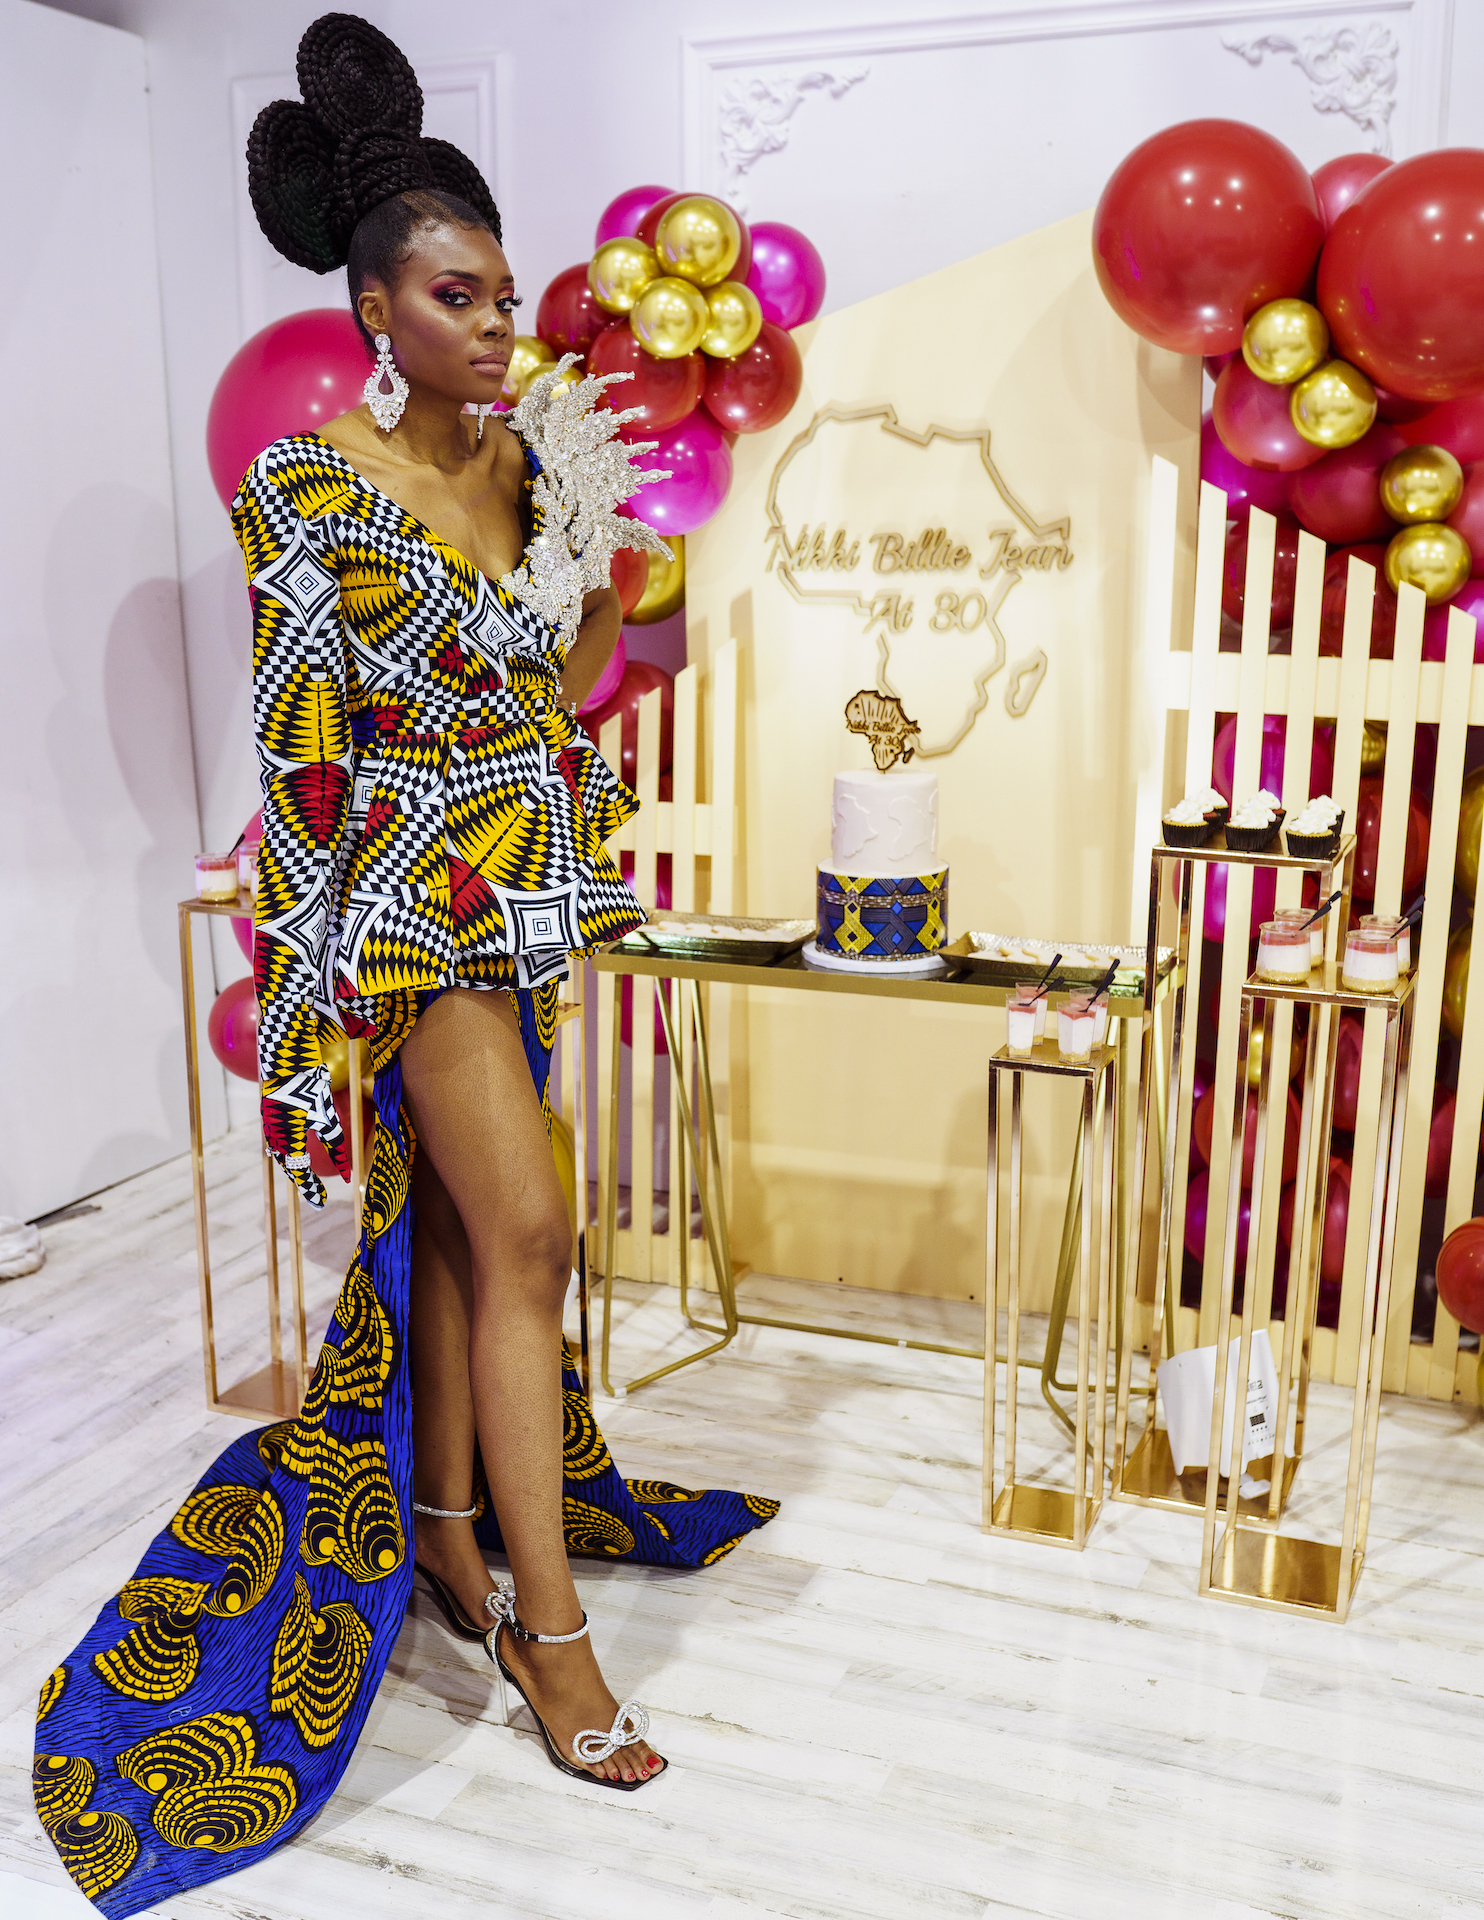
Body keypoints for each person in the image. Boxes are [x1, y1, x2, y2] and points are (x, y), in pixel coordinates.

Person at [34, 18, 775, 1915]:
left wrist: (609, 565)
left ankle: (449, 1532)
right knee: (531, 1233)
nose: (499, 326)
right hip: (409, 908)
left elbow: (582, 681)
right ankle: (548, 1638)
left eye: (508, 297)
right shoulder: (306, 489)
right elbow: (300, 748)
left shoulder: (530, 463)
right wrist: (303, 1001)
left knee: (461, 1239)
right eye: (460, 299)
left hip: (527, 892)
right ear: (375, 306)